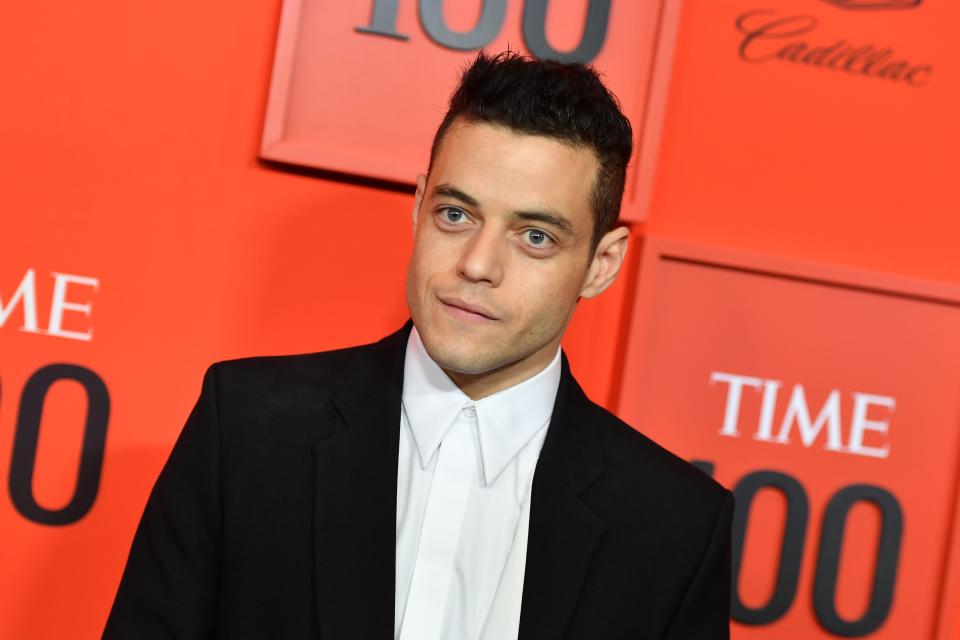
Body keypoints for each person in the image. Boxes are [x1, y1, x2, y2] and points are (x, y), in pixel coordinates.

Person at [103, 51, 733, 639]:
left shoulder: (675, 526)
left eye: (535, 236)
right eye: (455, 214)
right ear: (417, 207)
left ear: (601, 264)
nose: (477, 264)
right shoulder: (245, 430)